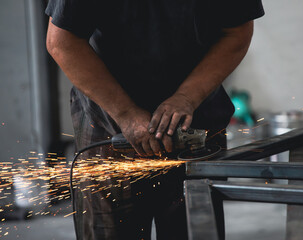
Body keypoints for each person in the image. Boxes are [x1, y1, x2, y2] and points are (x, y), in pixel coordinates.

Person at [45, 0, 264, 239]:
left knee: (193, 230)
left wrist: (187, 96)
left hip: (195, 125)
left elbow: (236, 31)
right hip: (107, 124)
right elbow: (62, 42)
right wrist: (125, 113)